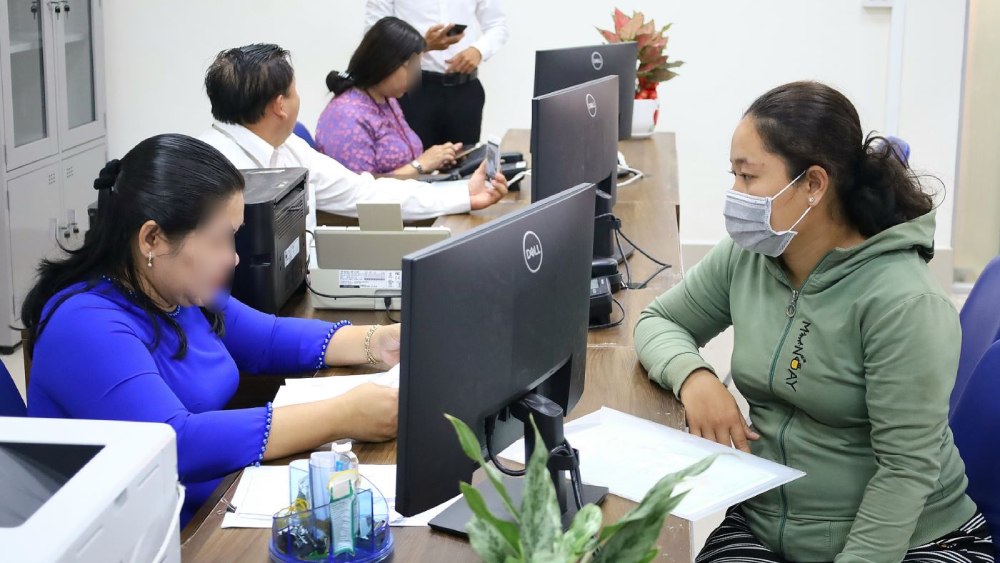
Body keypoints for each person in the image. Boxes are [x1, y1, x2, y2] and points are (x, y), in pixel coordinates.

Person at [635, 81, 994, 562]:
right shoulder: (750, 256)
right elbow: (658, 321)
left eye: (749, 177)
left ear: (813, 185)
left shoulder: (902, 302)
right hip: (768, 524)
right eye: (734, 176)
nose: (735, 195)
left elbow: (906, 472)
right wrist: (695, 378)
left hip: (906, 541)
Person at [23, 134, 400, 526]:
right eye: (219, 239)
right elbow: (175, 442)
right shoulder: (85, 325)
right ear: (152, 238)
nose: (233, 257)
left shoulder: (178, 292)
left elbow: (268, 339)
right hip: (135, 536)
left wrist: (380, 341)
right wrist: (343, 414)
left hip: (207, 501)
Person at [198, 44, 507, 234]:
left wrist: (465, 194)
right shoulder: (210, 170)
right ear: (280, 106)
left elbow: (365, 192)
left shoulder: (289, 147)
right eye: (294, 91)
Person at [318, 17, 463, 178]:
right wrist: (421, 165)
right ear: (385, 63)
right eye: (411, 67)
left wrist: (437, 159)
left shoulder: (387, 99)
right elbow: (359, 190)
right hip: (382, 202)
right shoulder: (346, 116)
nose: (416, 76)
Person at [364, 0, 508, 148]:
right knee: (413, 162)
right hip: (412, 90)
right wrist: (422, 45)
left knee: (465, 162)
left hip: (464, 89)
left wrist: (479, 50)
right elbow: (375, 36)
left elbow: (497, 25)